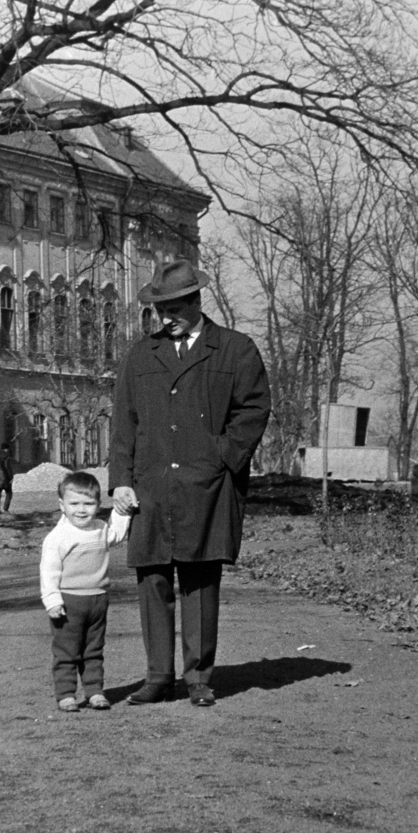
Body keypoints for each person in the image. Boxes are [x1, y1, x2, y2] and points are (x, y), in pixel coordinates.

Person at [110, 258, 271, 708]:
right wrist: (120, 481)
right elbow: (124, 424)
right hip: (151, 487)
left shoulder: (236, 350)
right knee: (153, 579)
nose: (165, 319)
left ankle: (199, 677)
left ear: (198, 301)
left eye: (174, 309)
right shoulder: (141, 356)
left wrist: (221, 457)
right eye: (159, 311)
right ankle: (158, 677)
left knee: (200, 580)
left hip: (209, 485)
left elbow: (254, 410)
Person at [40, 471, 131, 712]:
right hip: (68, 603)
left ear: (98, 505)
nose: (81, 510)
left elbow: (117, 534)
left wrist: (122, 511)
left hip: (98, 600)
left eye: (88, 504)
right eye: (74, 504)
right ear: (62, 505)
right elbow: (49, 571)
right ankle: (66, 694)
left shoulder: (100, 528)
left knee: (94, 650)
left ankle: (95, 691)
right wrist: (52, 600)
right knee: (66, 651)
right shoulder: (58, 537)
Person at [0, 442, 15, 514]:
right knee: (9, 493)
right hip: (5, 478)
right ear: (6, 449)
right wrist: (11, 477)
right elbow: (7, 468)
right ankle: (5, 509)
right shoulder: (7, 456)